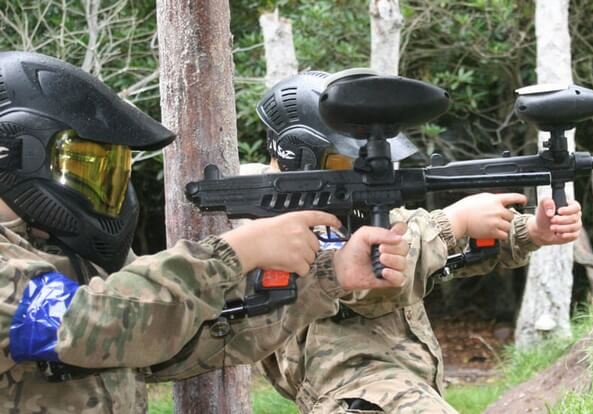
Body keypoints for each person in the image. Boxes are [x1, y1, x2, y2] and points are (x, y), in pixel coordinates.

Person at [0, 52, 411, 413]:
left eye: (112, 170)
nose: (105, 188)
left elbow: (175, 341)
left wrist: (331, 275)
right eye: (86, 166)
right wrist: (232, 253)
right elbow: (94, 322)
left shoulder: (61, 254)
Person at [243, 71, 583, 413]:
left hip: (392, 386)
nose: (360, 171)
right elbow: (370, 281)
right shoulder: (273, 223)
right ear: (297, 154)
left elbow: (423, 245)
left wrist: (531, 231)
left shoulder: (343, 209)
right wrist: (456, 221)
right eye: (346, 160)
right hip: (352, 392)